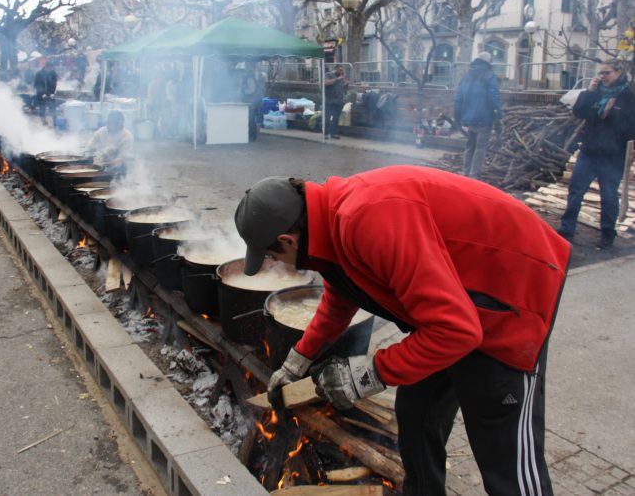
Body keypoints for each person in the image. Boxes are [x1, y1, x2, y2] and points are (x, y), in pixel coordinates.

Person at [234, 166, 570, 496]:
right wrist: (298, 361)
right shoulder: (328, 221)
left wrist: (365, 375)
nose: (275, 263)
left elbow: (457, 331)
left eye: (270, 256)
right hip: (453, 308)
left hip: (510, 293)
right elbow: (341, 297)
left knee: (503, 454)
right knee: (417, 412)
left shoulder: (365, 220)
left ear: (286, 240)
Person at [557, 58, 635, 249]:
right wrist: (589, 92)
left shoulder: (629, 97)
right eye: (600, 73)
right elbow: (578, 112)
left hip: (612, 155)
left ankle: (608, 233)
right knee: (576, 189)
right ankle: (567, 228)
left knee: (608, 196)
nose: (602, 76)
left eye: (606, 73)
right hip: (589, 151)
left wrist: (624, 146)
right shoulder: (596, 92)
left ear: (618, 72)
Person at [453, 51, 502, 179]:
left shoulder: (466, 76)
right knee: (480, 148)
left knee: (469, 146)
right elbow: (494, 96)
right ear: (488, 62)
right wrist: (498, 114)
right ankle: (474, 175)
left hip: (468, 120)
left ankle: (465, 172)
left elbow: (458, 97)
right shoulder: (489, 75)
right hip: (484, 119)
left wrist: (458, 117)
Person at [84, 110, 136, 175]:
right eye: (108, 123)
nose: (109, 125)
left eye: (113, 123)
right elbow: (89, 149)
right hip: (99, 166)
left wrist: (115, 161)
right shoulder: (101, 132)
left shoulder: (127, 136)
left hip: (119, 169)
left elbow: (124, 157)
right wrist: (90, 155)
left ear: (120, 123)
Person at [324, 64, 347, 139]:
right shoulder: (328, 75)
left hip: (339, 101)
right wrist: (337, 79)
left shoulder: (341, 77)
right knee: (327, 118)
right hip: (330, 101)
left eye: (342, 70)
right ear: (335, 69)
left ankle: (333, 133)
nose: (341, 72)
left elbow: (342, 88)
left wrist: (346, 85)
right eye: (340, 70)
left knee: (336, 118)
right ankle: (326, 133)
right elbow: (326, 83)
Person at [34, 62, 58, 126]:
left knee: (53, 108)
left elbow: (54, 84)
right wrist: (42, 93)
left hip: (50, 95)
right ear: (46, 67)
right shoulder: (39, 73)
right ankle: (44, 122)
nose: (50, 69)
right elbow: (37, 84)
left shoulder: (53, 73)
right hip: (41, 95)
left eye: (51, 68)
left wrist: (52, 93)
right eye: (49, 67)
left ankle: (55, 122)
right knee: (42, 109)